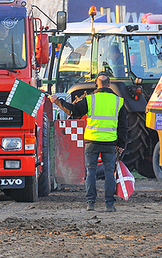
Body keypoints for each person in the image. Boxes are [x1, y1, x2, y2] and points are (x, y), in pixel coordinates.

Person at [49, 74, 127, 212]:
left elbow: (72, 111)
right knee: (110, 172)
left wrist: (57, 101)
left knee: (91, 172)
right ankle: (109, 204)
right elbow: (123, 126)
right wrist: (121, 145)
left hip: (91, 142)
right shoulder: (119, 101)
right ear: (109, 85)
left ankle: (90, 203)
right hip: (110, 142)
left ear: (97, 85)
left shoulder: (90, 100)